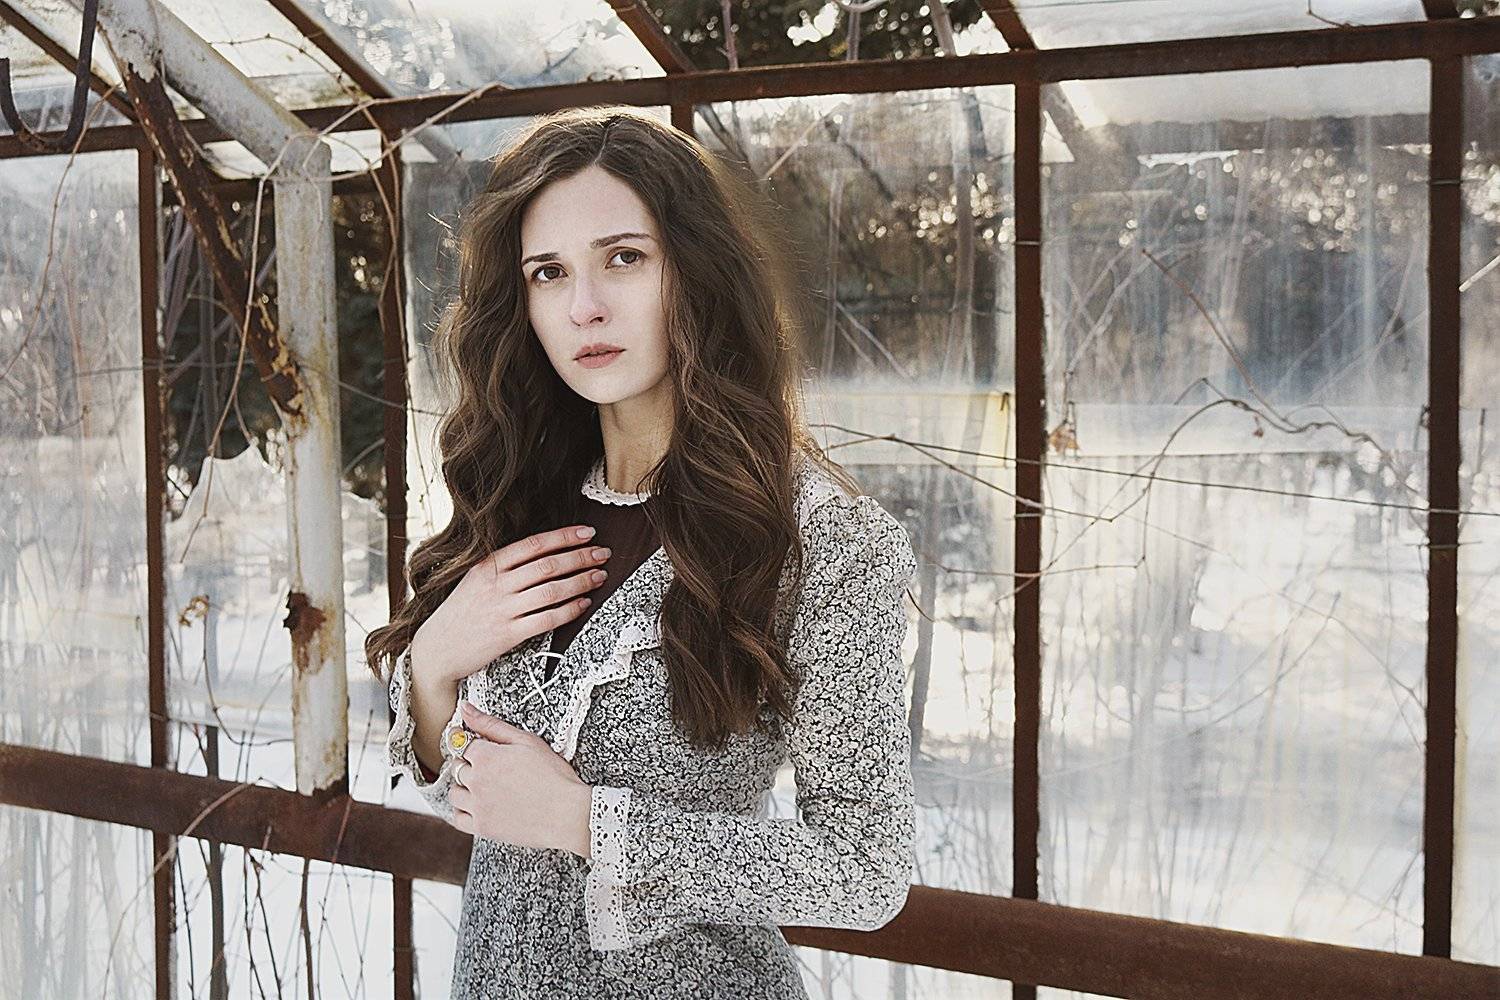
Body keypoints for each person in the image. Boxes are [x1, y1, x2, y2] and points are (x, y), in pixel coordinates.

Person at [365, 104, 919, 999]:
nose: (584, 306)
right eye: (549, 272)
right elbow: (477, 793)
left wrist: (588, 823)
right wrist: (432, 667)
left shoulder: (821, 538)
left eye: (623, 258)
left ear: (693, 269)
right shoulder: (519, 498)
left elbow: (864, 869)